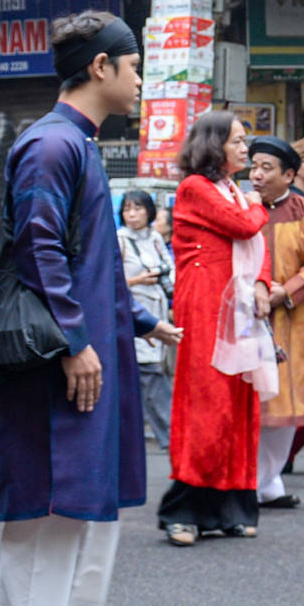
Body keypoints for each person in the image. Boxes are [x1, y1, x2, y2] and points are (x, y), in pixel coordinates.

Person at [0, 13, 181, 606]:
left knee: (58, 501)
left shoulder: (70, 143)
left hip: (75, 351)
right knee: (46, 500)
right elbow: (39, 249)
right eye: (135, 65)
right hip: (58, 360)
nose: (141, 79)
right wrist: (77, 341)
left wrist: (141, 321)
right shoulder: (54, 144)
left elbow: (86, 259)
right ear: (102, 68)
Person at [159, 111, 272, 545]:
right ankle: (183, 511)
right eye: (239, 141)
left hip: (237, 304)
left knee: (239, 401)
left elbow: (257, 246)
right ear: (215, 145)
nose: (247, 149)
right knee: (208, 402)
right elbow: (246, 226)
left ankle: (229, 508)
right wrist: (260, 203)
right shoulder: (195, 188)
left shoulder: (231, 190)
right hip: (206, 302)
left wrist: (263, 282)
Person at [248, 137, 304, 508]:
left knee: (288, 402)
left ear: (288, 175)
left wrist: (288, 290)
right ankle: (249, 480)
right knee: (251, 401)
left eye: (266, 168)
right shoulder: (242, 205)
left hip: (294, 317)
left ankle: (268, 481)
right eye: (253, 166)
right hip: (248, 315)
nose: (256, 175)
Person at [119, 191, 175, 451]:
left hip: (158, 311)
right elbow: (111, 279)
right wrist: (139, 280)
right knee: (151, 374)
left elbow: (169, 268)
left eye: (137, 208)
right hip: (135, 315)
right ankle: (171, 436)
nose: (132, 214)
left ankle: (135, 436)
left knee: (149, 375)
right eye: (127, 209)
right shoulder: (119, 240)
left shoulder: (154, 239)